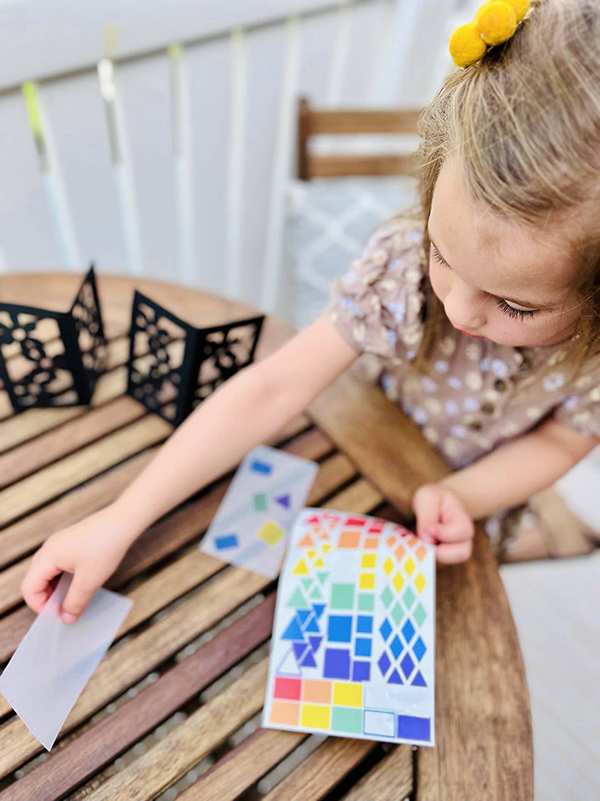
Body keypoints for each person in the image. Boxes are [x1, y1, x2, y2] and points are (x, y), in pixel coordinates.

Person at [21, 0, 600, 624]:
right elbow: (271, 386)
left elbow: (564, 438)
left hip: (463, 508)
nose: (458, 310)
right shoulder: (403, 272)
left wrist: (465, 494)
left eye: (514, 305)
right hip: (352, 450)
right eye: (443, 254)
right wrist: (121, 518)